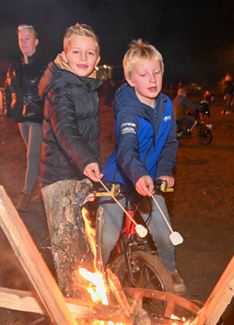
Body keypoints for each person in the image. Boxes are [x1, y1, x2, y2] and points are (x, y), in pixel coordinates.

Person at [99, 39, 185, 294]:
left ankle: (169, 270)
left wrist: (165, 172)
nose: (152, 79)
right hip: (119, 178)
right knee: (106, 236)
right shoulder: (127, 111)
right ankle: (97, 275)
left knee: (165, 232)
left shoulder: (166, 105)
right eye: (144, 74)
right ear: (130, 79)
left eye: (156, 72)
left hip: (149, 179)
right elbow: (127, 151)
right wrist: (137, 175)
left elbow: (170, 143)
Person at [37, 23, 103, 296]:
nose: (84, 59)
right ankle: (71, 310)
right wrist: (86, 159)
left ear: (98, 58)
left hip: (79, 171)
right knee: (69, 249)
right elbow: (65, 129)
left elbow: (87, 131)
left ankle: (86, 296)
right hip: (60, 176)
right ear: (64, 55)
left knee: (85, 240)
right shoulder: (61, 89)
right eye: (77, 52)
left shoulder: (86, 85)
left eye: (90, 53)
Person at [4, 24, 47, 211]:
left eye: (27, 38)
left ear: (36, 41)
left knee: (32, 155)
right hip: (21, 117)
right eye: (21, 38)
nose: (23, 42)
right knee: (35, 155)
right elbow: (7, 89)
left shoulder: (44, 64)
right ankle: (44, 189)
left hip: (38, 116)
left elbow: (50, 90)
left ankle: (26, 194)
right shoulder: (14, 65)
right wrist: (9, 110)